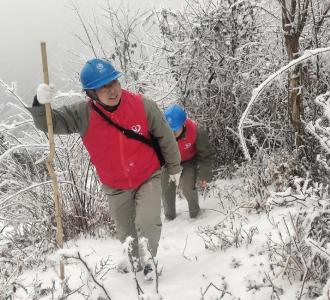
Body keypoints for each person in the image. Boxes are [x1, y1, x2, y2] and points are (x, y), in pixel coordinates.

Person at [28, 58, 182, 277]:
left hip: (148, 175)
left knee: (148, 220)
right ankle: (135, 263)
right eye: (103, 87)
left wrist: (174, 167)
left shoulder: (142, 105)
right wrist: (40, 103)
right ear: (91, 93)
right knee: (126, 231)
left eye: (114, 82)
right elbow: (49, 124)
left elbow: (165, 136)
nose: (112, 90)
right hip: (116, 186)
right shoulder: (83, 114)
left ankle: (149, 261)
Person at [161, 104, 215, 220]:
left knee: (187, 187)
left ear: (183, 124)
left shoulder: (197, 131)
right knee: (165, 189)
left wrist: (204, 175)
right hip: (168, 163)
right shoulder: (159, 133)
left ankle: (195, 215)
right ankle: (169, 217)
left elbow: (205, 155)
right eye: (169, 130)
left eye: (175, 130)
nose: (172, 134)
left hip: (188, 162)